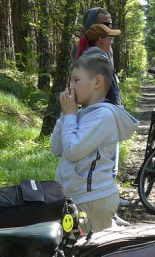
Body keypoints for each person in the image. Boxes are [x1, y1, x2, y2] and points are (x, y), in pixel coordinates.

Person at [51, 54, 138, 232]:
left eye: (76, 80)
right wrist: (66, 114)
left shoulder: (103, 116)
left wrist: (70, 114)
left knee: (88, 253)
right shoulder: (83, 113)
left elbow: (73, 150)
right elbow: (57, 148)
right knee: (79, 250)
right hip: (79, 197)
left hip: (93, 199)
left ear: (97, 82)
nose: (71, 87)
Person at [79, 22, 123, 106]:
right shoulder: (100, 64)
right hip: (105, 115)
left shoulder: (85, 61)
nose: (112, 42)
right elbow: (113, 98)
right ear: (100, 39)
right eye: (110, 38)